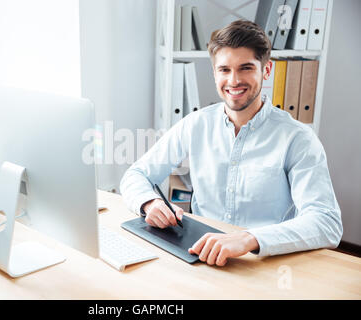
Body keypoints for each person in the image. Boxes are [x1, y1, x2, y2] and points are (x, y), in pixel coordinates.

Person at [120, 19, 342, 267]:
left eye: (246, 68)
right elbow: (136, 174)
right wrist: (149, 202)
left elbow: (326, 222)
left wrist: (250, 239)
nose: (234, 80)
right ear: (215, 73)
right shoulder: (196, 124)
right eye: (224, 70)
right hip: (200, 256)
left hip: (263, 264)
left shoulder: (298, 138)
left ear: (266, 71)